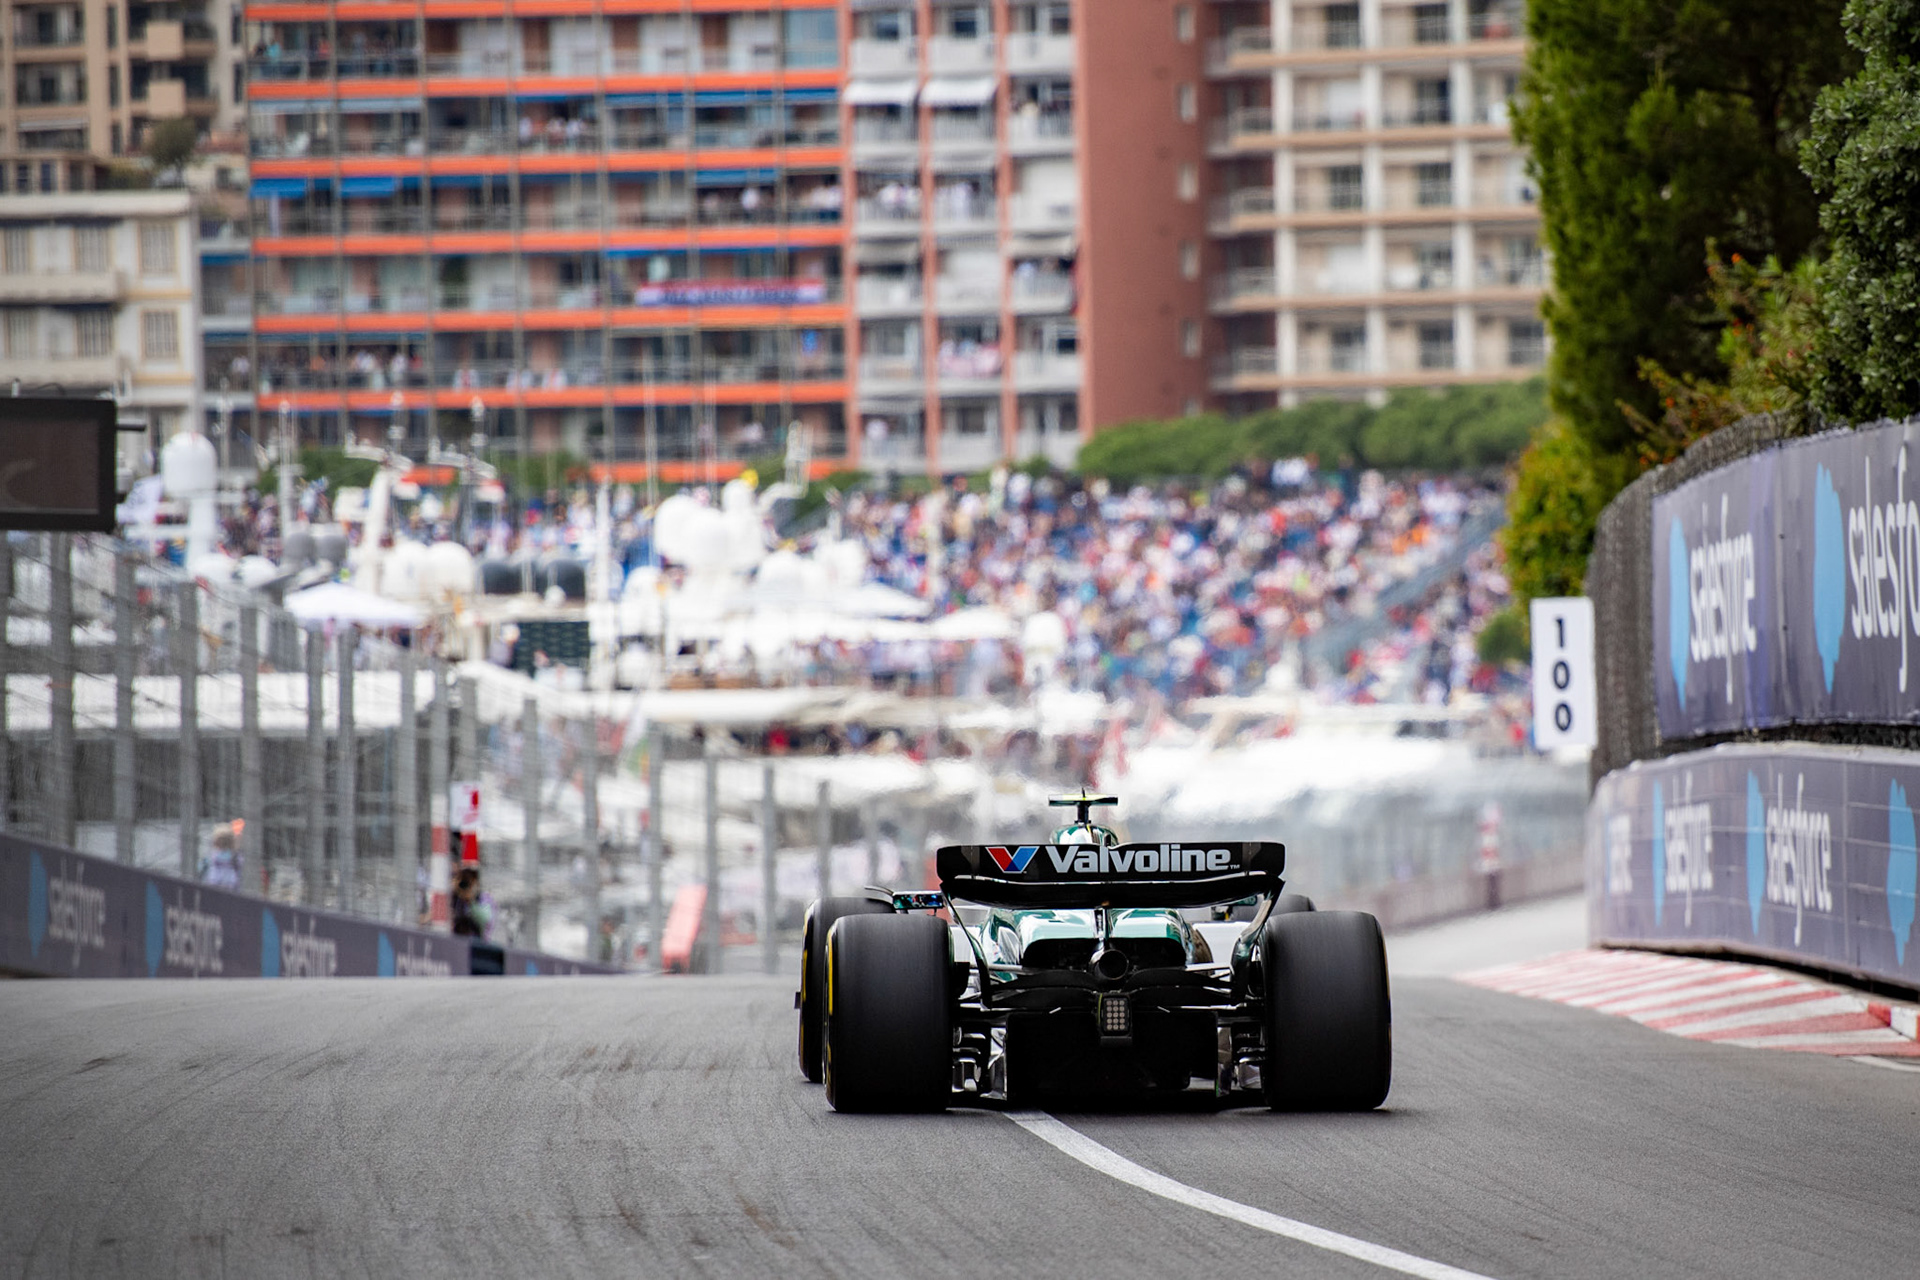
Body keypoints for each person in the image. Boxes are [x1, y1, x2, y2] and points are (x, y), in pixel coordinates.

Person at [450, 866, 495, 938]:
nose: (465, 886)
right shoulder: (456, 898)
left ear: (476, 883)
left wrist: (470, 901)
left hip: (477, 942)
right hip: (456, 940)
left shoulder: (484, 898)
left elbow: (486, 921)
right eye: (463, 883)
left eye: (468, 883)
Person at [199, 825, 241, 891]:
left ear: (215, 841)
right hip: (231, 889)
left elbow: (200, 869)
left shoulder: (210, 856)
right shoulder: (236, 857)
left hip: (212, 887)